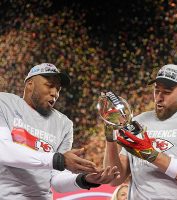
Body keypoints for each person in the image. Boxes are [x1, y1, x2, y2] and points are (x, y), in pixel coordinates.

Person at [0, 63, 120, 199]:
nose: (55, 93)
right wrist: (59, 160)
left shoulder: (64, 123)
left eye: (58, 89)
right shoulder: (4, 103)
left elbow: (56, 181)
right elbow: (3, 150)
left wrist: (85, 180)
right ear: (30, 84)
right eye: (49, 85)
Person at [103, 64, 177, 199]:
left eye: (166, 92)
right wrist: (110, 137)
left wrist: (151, 155)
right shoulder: (138, 121)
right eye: (156, 90)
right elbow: (114, 179)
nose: (159, 97)